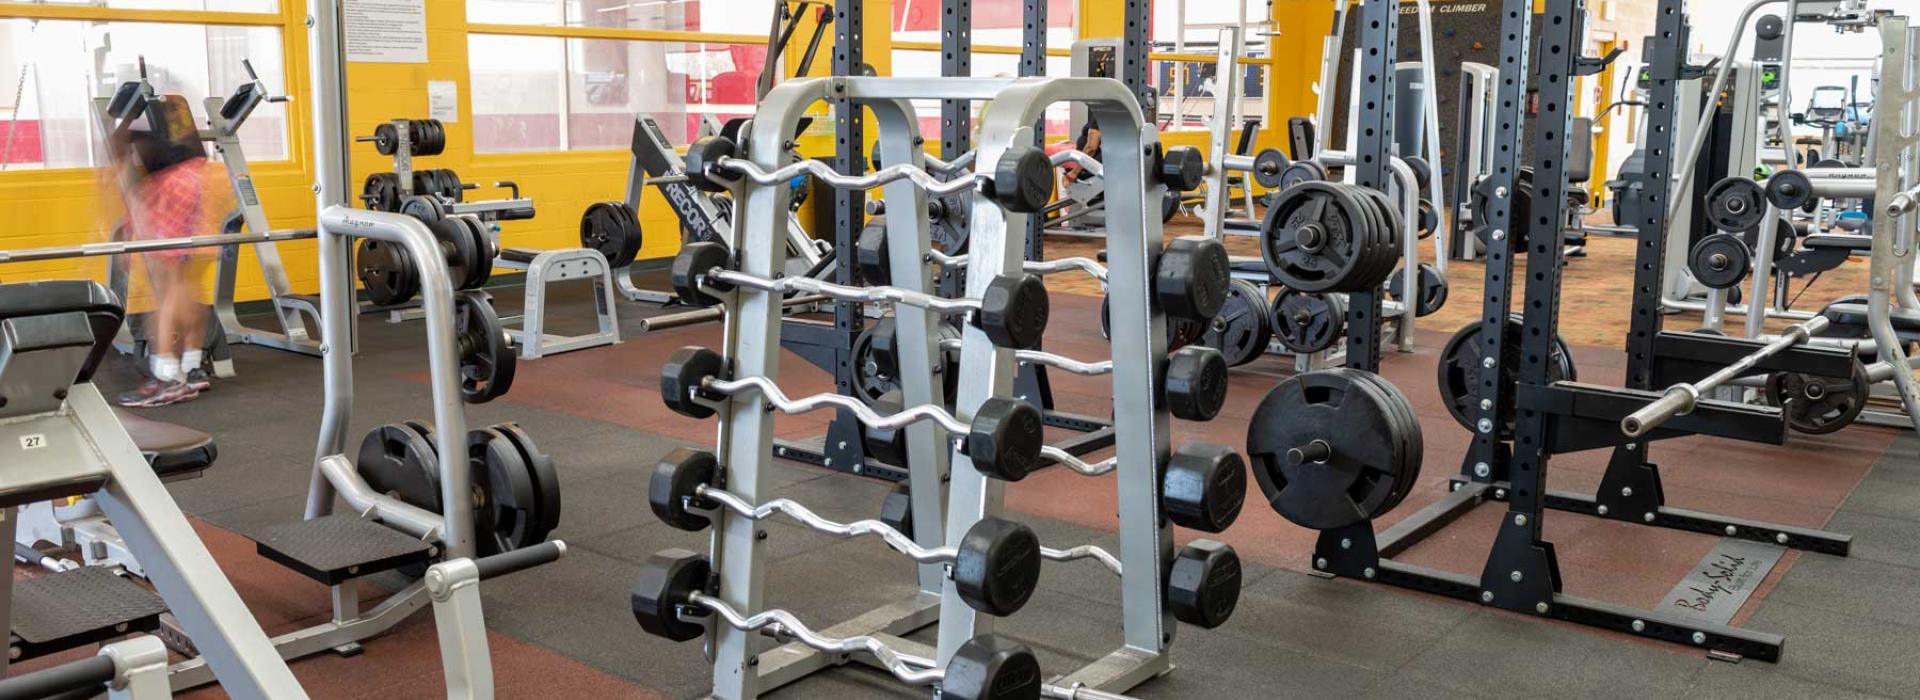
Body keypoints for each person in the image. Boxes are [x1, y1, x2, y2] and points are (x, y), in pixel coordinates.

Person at [111, 95, 221, 407]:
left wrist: (129, 234)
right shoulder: (175, 109)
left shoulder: (134, 139)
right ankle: (191, 367)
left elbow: (131, 185)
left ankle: (167, 378)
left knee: (168, 294)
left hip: (171, 188)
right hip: (201, 179)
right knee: (189, 288)